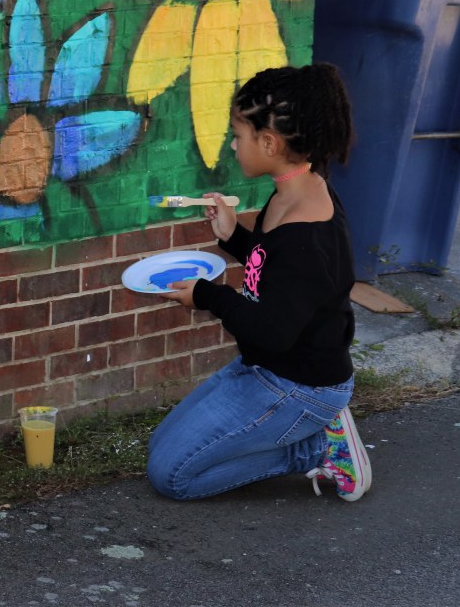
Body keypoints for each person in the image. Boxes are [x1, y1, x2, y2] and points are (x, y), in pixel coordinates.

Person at [146, 63, 372, 504]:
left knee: (171, 477)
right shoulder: (295, 189)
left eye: (238, 135)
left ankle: (316, 447)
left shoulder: (306, 230)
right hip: (264, 367)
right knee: (161, 447)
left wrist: (207, 295)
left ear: (269, 143)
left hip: (297, 385)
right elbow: (275, 270)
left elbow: (272, 327)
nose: (232, 145)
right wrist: (233, 237)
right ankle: (306, 435)